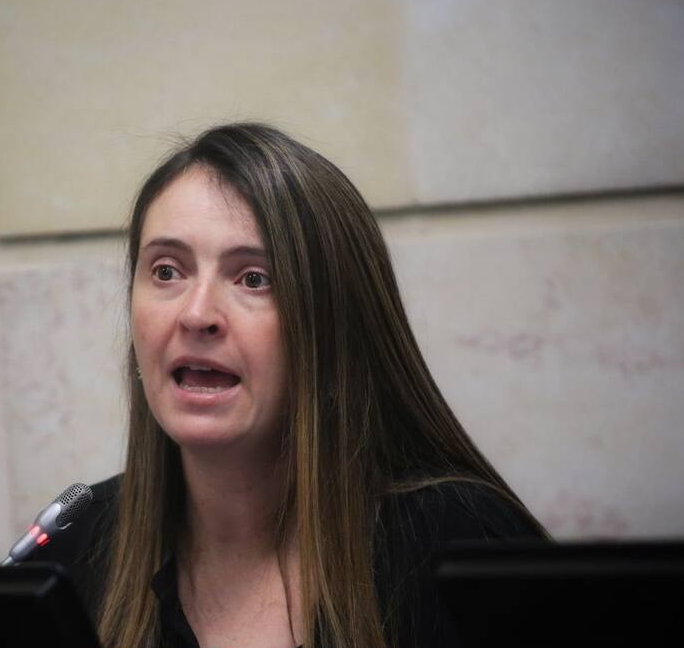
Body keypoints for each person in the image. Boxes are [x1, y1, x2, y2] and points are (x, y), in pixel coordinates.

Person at [34, 122, 546, 647]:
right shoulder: (75, 548)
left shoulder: (457, 541)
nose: (196, 314)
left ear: (334, 328)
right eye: (167, 271)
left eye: (254, 279)